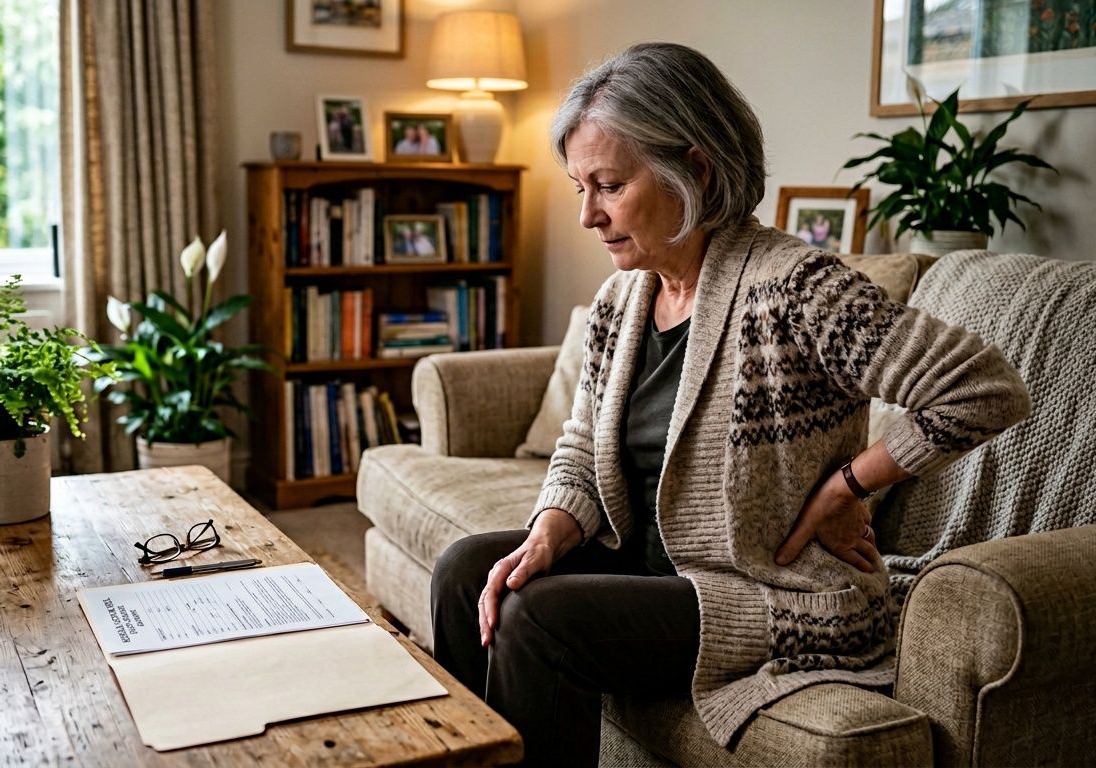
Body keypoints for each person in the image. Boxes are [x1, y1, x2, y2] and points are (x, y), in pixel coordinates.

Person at [430, 42, 1030, 766]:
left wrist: (851, 485)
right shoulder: (625, 298)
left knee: (538, 619)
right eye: (579, 187)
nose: (587, 215)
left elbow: (984, 387)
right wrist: (554, 529)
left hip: (768, 590)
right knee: (466, 570)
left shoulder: (797, 287)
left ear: (696, 170)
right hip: (653, 565)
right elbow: (583, 445)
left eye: (610, 186)